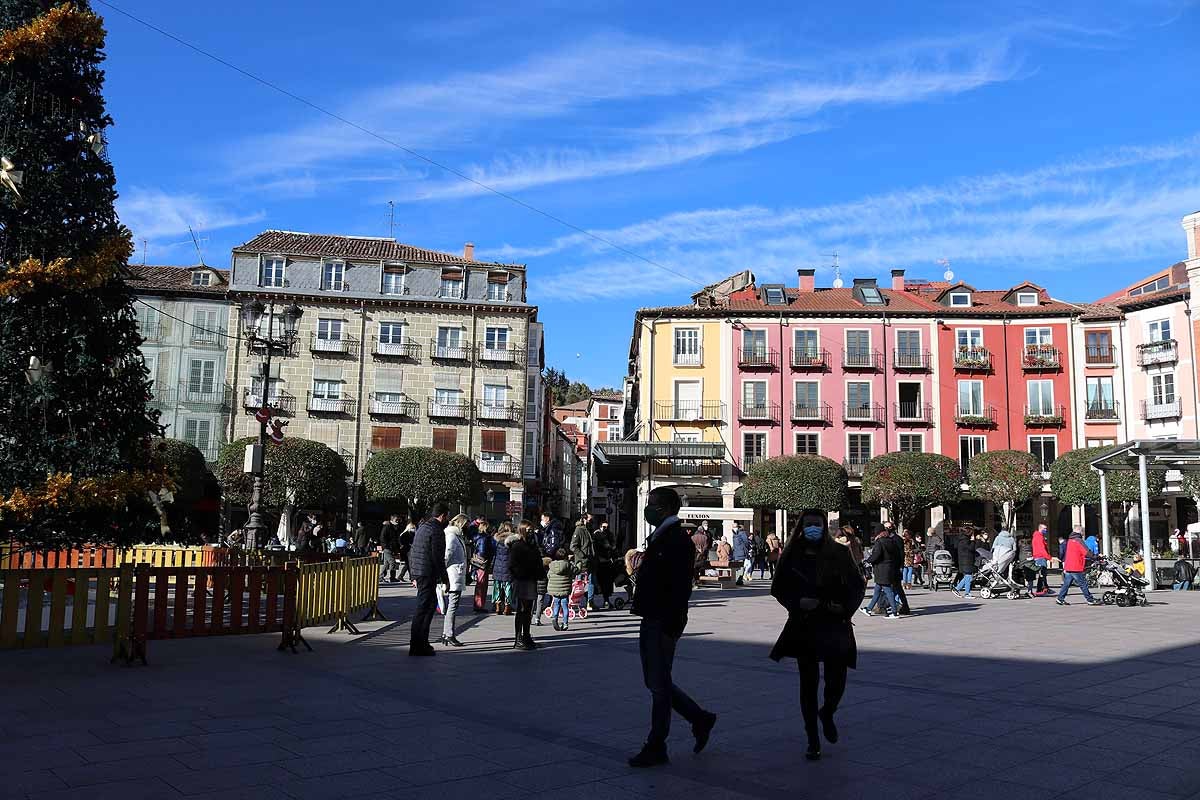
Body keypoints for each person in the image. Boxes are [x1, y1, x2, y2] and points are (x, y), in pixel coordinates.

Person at [628, 487, 717, 768]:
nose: (648, 508)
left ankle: (657, 744)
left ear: (665, 508)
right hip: (656, 616)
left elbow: (677, 588)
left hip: (662, 619)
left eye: (652, 504)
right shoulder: (664, 538)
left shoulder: (675, 540)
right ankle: (699, 719)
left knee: (658, 684)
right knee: (657, 681)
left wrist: (670, 621)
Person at [770, 509, 866, 761]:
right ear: (802, 526)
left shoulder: (839, 552)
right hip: (805, 623)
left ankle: (828, 711)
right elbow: (778, 587)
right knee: (808, 682)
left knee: (837, 680)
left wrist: (844, 608)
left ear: (824, 526)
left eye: (818, 524)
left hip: (834, 622)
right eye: (809, 524)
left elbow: (857, 585)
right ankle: (812, 737)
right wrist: (797, 602)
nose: (814, 528)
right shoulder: (791, 555)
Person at [408, 503, 449, 656]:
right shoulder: (436, 530)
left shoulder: (423, 527)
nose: (448, 519)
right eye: (447, 516)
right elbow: (437, 556)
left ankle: (421, 643)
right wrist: (445, 578)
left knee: (427, 607)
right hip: (427, 573)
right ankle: (418, 645)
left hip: (420, 571)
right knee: (423, 609)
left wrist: (413, 574)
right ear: (443, 515)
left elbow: (412, 551)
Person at [507, 521, 545, 650]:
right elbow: (512, 565)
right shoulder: (517, 545)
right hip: (522, 580)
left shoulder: (532, 544)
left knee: (528, 610)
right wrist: (521, 574)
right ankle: (518, 639)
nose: (530, 532)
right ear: (522, 530)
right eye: (528, 530)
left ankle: (527, 636)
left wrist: (540, 573)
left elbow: (537, 560)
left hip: (531, 579)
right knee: (521, 610)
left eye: (532, 530)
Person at [439, 514, 468, 647]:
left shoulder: (456, 535)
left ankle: (447, 633)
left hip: (456, 573)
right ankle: (449, 634)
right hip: (453, 574)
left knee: (452, 605)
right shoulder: (452, 535)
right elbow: (447, 554)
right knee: (452, 605)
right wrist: (442, 571)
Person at [862, 529, 900, 618]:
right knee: (877, 590)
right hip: (889, 568)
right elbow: (896, 555)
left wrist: (868, 560)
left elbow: (876, 555)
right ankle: (868, 609)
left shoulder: (880, 542)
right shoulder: (892, 541)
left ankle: (894, 611)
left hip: (881, 569)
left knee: (888, 590)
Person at [1057, 527, 1101, 606]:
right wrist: (1095, 557)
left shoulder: (1070, 540)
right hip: (1076, 566)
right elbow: (1086, 552)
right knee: (1083, 583)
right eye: (1083, 532)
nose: (1083, 533)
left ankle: (1060, 598)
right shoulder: (1079, 540)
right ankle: (1090, 599)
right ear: (1080, 532)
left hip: (1069, 565)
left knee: (1067, 583)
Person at [571, 515, 597, 607]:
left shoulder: (590, 530)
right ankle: (576, 602)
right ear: (584, 519)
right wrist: (582, 555)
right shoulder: (579, 530)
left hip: (591, 560)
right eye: (590, 519)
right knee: (579, 582)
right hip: (582, 561)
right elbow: (573, 546)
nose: (592, 521)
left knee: (591, 581)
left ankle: (590, 602)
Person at [547, 548, 576, 630]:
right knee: (565, 607)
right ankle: (565, 623)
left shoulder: (552, 566)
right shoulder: (568, 565)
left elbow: (548, 576)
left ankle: (555, 618)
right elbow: (575, 571)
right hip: (565, 590)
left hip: (555, 590)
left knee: (556, 605)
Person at [491, 522, 515, 614]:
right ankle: (507, 607)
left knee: (497, 587)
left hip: (497, 566)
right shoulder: (513, 541)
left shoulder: (496, 540)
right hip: (508, 566)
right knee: (508, 587)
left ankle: (497, 606)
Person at [592, 520, 617, 609]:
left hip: (608, 561)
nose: (605, 528)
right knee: (598, 582)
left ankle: (606, 600)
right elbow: (596, 547)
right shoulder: (597, 535)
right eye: (604, 527)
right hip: (599, 561)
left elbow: (613, 545)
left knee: (607, 582)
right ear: (600, 526)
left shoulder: (610, 534)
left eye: (607, 527)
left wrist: (612, 548)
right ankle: (591, 601)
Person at [471, 520, 494, 613]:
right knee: (482, 585)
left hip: (478, 563)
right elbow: (482, 551)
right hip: (482, 563)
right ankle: (479, 605)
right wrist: (485, 559)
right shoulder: (485, 538)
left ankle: (478, 604)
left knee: (480, 585)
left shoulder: (478, 537)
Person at [953, 531, 977, 598]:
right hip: (966, 561)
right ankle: (967, 593)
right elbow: (971, 548)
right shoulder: (965, 541)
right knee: (968, 576)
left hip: (965, 561)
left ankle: (956, 589)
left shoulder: (962, 540)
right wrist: (973, 541)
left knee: (967, 577)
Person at [379, 514, 402, 583]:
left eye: (398, 520)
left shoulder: (396, 527)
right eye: (396, 520)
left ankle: (381, 577)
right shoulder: (387, 527)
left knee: (386, 563)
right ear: (392, 520)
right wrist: (386, 546)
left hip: (392, 548)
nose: (398, 521)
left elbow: (395, 539)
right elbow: (382, 537)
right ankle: (392, 578)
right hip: (387, 548)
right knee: (392, 562)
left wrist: (397, 547)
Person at [1031, 523, 1052, 595]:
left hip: (1039, 557)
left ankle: (1045, 588)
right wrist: (1049, 558)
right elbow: (1042, 549)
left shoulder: (1039, 536)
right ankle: (1040, 589)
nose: (1046, 530)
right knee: (1042, 574)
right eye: (1044, 529)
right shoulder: (1039, 537)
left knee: (1043, 574)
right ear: (1040, 528)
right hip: (1040, 557)